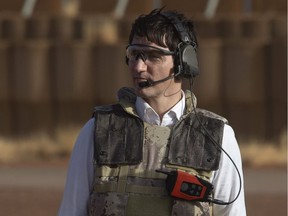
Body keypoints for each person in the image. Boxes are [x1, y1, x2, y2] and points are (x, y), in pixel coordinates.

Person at [58, 8, 246, 216]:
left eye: (153, 56)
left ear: (183, 63)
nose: (138, 67)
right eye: (134, 54)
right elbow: (71, 211)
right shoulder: (98, 131)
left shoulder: (217, 136)